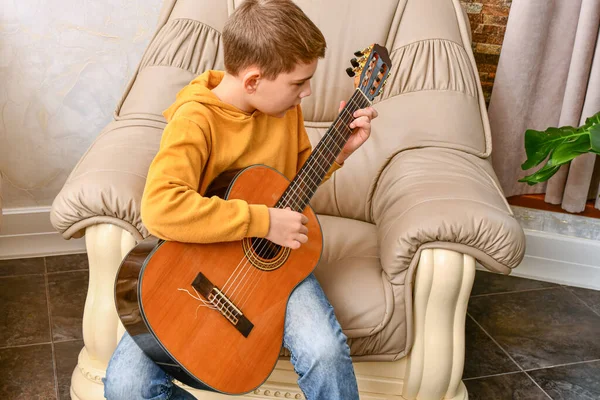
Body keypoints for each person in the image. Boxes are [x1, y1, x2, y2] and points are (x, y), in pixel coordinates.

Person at [103, 0, 378, 399]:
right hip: (202, 264)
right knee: (127, 387)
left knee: (325, 351)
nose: (308, 92)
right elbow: (161, 206)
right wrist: (263, 221)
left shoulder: (283, 106)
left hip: (269, 266)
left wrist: (337, 153)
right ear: (253, 81)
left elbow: (294, 177)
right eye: (299, 82)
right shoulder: (195, 120)